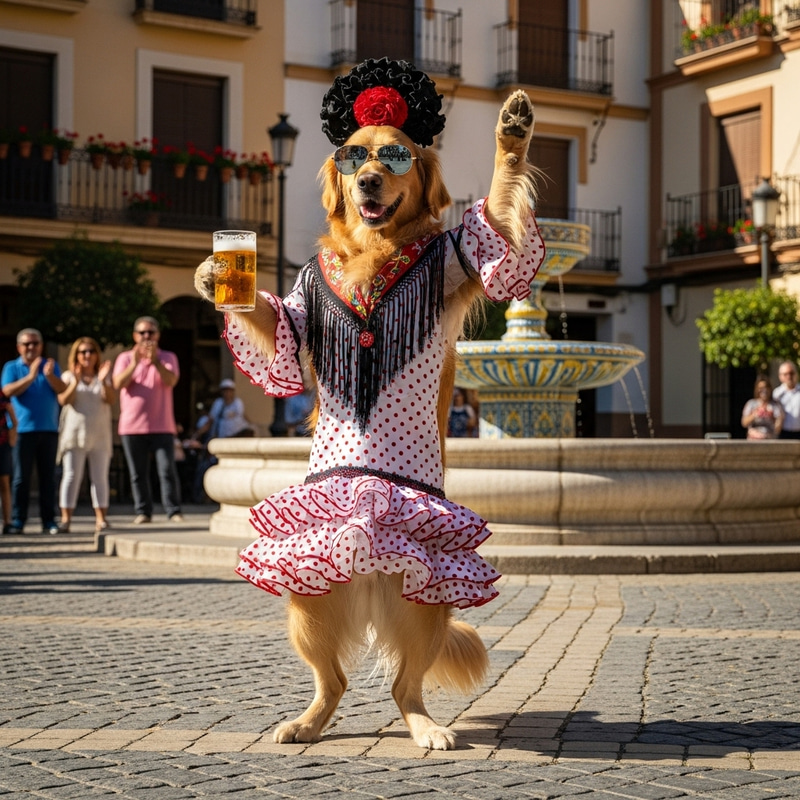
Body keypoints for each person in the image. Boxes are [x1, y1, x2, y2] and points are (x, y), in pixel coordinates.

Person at [112, 316, 183, 524]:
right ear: (135, 336)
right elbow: (118, 383)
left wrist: (155, 362)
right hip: (132, 427)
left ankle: (173, 510)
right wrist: (135, 363)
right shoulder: (125, 358)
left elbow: (171, 380)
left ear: (158, 335)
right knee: (137, 474)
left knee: (166, 470)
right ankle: (143, 511)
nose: (146, 337)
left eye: (151, 332)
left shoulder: (168, 357)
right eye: (142, 333)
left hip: (162, 425)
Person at [1, 328, 66, 534]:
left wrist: (48, 376)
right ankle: (18, 520)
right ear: (19, 347)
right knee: (21, 478)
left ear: (41, 345)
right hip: (22, 431)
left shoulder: (50, 366)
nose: (31, 347)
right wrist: (30, 376)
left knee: (48, 477)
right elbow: (7, 391)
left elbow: (62, 389)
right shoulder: (12, 367)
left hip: (49, 430)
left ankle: (49, 521)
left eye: (35, 343)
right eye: (27, 344)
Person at [56, 337, 116, 533]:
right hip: (74, 434)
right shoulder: (68, 376)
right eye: (82, 352)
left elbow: (111, 400)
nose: (87, 355)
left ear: (97, 354)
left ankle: (101, 519)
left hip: (99, 435)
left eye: (91, 351)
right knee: (71, 476)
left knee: (100, 478)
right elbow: (64, 400)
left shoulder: (103, 375)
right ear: (76, 355)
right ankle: (66, 519)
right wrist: (75, 380)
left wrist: (103, 380)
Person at [741, 375, 784, 440]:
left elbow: (778, 428)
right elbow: (744, 423)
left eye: (766, 387)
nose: (764, 390)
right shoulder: (751, 404)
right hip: (754, 439)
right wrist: (755, 414)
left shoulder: (776, 405)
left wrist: (771, 417)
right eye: (761, 388)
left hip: (770, 440)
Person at [0, 388, 18, 534]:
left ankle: (7, 522)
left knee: (4, 483)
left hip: (2, 443)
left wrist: (12, 436)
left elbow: (11, 413)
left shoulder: (2, 394)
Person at [774, 361, 800, 440]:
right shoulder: (776, 393)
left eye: (791, 373)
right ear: (780, 376)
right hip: (783, 433)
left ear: (796, 374)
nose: (789, 376)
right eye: (785, 374)